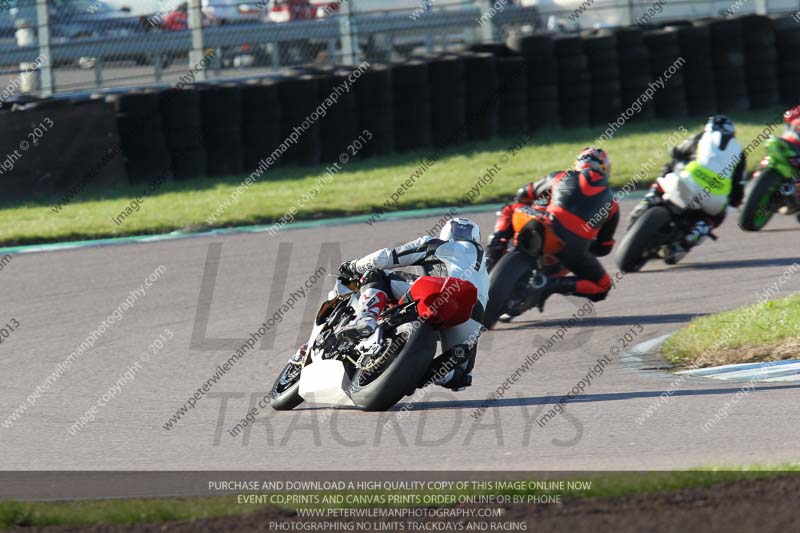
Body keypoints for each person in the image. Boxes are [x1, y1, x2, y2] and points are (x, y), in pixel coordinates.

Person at [338, 218, 489, 391]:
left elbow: (385, 257)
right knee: (461, 378)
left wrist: (354, 266)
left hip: (441, 289)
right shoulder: (484, 268)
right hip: (471, 313)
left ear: (446, 233)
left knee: (376, 274)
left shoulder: (437, 245)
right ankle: (432, 373)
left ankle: (366, 317)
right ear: (475, 238)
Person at [486, 147, 619, 317]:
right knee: (603, 286)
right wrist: (585, 247)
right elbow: (604, 247)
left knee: (510, 208)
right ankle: (551, 284)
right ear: (605, 169)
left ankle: (493, 250)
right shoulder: (613, 203)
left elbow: (524, 193)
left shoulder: (561, 176)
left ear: (578, 164)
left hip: (547, 227)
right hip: (573, 249)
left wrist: (530, 203)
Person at [628, 115, 746, 260]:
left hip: (688, 183)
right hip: (714, 198)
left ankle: (650, 198)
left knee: (671, 167)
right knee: (721, 212)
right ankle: (695, 234)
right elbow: (738, 188)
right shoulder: (740, 153)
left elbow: (676, 152)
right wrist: (734, 202)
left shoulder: (701, 137)